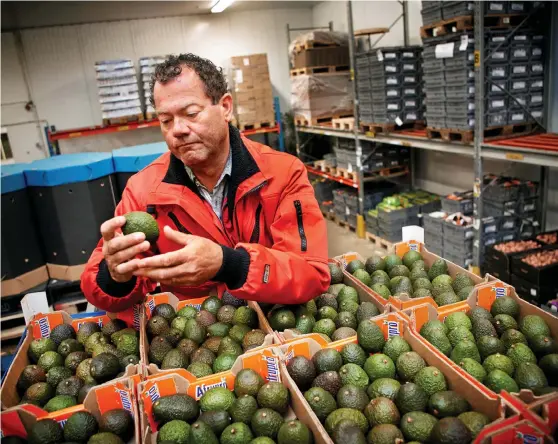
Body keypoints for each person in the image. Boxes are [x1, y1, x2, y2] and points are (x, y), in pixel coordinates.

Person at [81, 53, 329, 312]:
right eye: (166, 120)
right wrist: (116, 276)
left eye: (191, 113)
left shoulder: (283, 173)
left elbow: (311, 273)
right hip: (193, 335)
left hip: (274, 321)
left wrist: (229, 264)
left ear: (225, 107)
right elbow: (96, 288)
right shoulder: (143, 191)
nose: (178, 129)